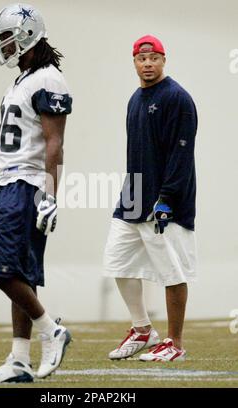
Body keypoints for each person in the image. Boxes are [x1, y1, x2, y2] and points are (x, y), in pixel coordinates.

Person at [0, 3, 73, 383]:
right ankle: (19, 360)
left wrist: (51, 194)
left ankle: (51, 329)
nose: (3, 45)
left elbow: (55, 144)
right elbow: (1, 149)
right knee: (20, 273)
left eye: (7, 37)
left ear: (27, 35)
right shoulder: (18, 84)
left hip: (28, 186)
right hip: (6, 185)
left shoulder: (49, 80)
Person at [104, 35, 197, 362]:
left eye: (153, 58)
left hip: (166, 199)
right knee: (117, 261)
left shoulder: (177, 98)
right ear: (134, 62)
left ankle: (175, 343)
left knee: (172, 272)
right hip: (133, 194)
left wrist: (167, 198)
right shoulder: (135, 99)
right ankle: (142, 329)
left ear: (163, 60)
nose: (147, 64)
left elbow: (181, 154)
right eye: (141, 59)